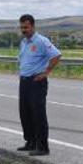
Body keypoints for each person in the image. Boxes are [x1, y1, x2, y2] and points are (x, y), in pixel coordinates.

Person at [17, 14, 61, 156]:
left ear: (33, 26)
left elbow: (56, 55)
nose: (24, 30)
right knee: (25, 113)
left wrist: (46, 72)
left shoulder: (42, 41)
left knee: (38, 114)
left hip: (37, 82)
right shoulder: (23, 42)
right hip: (24, 81)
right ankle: (30, 142)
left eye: (26, 27)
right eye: (22, 27)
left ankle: (42, 146)